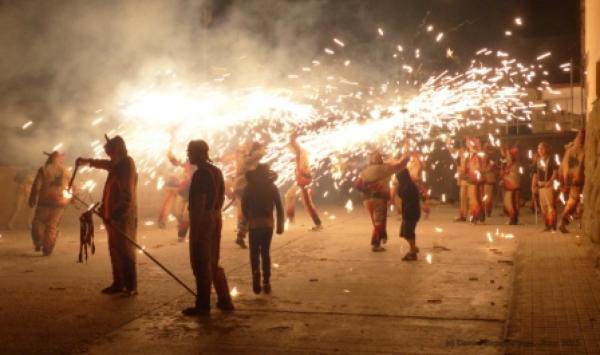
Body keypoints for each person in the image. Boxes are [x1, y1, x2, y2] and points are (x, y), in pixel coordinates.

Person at [76, 135, 138, 295]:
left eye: (110, 151)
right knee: (115, 250)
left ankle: (130, 287)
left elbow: (127, 195)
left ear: (117, 149)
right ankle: (119, 283)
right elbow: (106, 164)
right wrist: (87, 161)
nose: (108, 155)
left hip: (122, 217)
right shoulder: (117, 164)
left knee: (125, 250)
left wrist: (117, 214)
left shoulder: (126, 164)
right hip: (112, 215)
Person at [182, 139, 234, 316]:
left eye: (190, 151)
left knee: (200, 263)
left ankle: (202, 305)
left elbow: (199, 204)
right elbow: (219, 198)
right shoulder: (216, 171)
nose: (188, 154)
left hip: (203, 221)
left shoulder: (200, 175)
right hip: (215, 217)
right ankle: (225, 299)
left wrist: (195, 229)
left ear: (199, 153)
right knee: (212, 262)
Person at [242, 163, 284, 294]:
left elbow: (244, 206)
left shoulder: (249, 187)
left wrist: (248, 219)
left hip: (254, 225)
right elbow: (279, 207)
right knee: (265, 252)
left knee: (254, 252)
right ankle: (266, 281)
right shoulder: (272, 187)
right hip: (268, 225)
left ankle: (256, 272)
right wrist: (280, 225)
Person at [355, 151, 407, 252]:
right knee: (380, 221)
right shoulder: (383, 169)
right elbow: (399, 166)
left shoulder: (365, 171)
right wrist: (406, 157)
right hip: (378, 199)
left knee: (376, 222)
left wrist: (368, 191)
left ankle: (382, 236)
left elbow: (357, 185)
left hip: (367, 200)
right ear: (379, 159)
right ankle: (376, 243)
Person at [29, 151, 69, 255]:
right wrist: (71, 198)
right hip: (60, 203)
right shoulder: (65, 171)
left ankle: (39, 241)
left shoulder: (44, 169)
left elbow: (37, 185)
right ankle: (47, 248)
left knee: (38, 222)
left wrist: (32, 197)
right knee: (52, 226)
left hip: (45, 202)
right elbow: (72, 187)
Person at [284, 132, 322, 230]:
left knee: (307, 203)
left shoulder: (301, 152)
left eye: (292, 146)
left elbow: (304, 169)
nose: (290, 149)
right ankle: (290, 217)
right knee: (289, 195)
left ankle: (318, 224)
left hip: (303, 180)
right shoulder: (298, 152)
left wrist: (302, 174)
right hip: (300, 179)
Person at [233, 141, 266, 248]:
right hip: (244, 188)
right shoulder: (246, 158)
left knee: (246, 213)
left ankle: (241, 235)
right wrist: (260, 150)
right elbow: (259, 154)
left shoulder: (245, 157)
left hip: (242, 187)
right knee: (246, 213)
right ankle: (242, 235)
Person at [558, 130, 585, 233]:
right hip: (577, 181)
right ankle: (563, 222)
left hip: (576, 180)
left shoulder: (571, 149)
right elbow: (574, 166)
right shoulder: (576, 150)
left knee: (576, 203)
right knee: (573, 203)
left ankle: (566, 223)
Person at [165, 151, 195, 241]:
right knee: (178, 214)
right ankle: (183, 227)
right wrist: (171, 158)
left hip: (193, 194)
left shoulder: (200, 166)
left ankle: (182, 234)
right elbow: (178, 163)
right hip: (183, 192)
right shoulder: (187, 163)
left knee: (186, 215)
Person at [395, 159, 420, 261]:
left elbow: (404, 198)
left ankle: (413, 251)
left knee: (408, 233)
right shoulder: (407, 185)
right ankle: (413, 248)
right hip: (410, 212)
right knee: (405, 233)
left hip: (411, 213)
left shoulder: (408, 187)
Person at [532, 142, 558, 232]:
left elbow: (555, 171)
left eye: (542, 148)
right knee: (543, 207)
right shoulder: (538, 161)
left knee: (550, 206)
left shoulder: (551, 159)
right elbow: (535, 174)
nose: (540, 150)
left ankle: (552, 225)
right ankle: (547, 225)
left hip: (548, 186)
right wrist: (533, 185)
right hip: (540, 186)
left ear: (546, 149)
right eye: (539, 148)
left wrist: (550, 181)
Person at [447, 138, 468, 222]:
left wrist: (461, 169)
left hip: (467, 179)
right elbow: (452, 152)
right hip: (464, 179)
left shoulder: (467, 154)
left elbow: (466, 168)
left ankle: (469, 215)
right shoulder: (462, 154)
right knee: (463, 198)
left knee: (467, 198)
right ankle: (463, 215)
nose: (459, 152)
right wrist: (448, 143)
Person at [465, 137, 485, 224]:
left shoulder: (476, 156)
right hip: (472, 178)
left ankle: (477, 215)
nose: (467, 144)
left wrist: (474, 173)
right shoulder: (472, 155)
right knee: (474, 198)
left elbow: (478, 168)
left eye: (468, 142)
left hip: (474, 179)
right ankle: (478, 216)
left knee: (474, 198)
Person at [501, 146, 521, 225]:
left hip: (512, 186)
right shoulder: (509, 164)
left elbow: (513, 175)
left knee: (510, 203)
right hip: (509, 185)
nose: (507, 156)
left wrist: (505, 174)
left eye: (508, 155)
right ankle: (512, 218)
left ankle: (513, 219)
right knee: (507, 202)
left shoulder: (515, 164)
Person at [482, 143, 499, 217]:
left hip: (489, 179)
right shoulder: (487, 156)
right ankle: (486, 210)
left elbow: (487, 168)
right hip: (486, 179)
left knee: (487, 196)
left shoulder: (490, 158)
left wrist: (483, 170)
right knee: (486, 196)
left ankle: (487, 210)